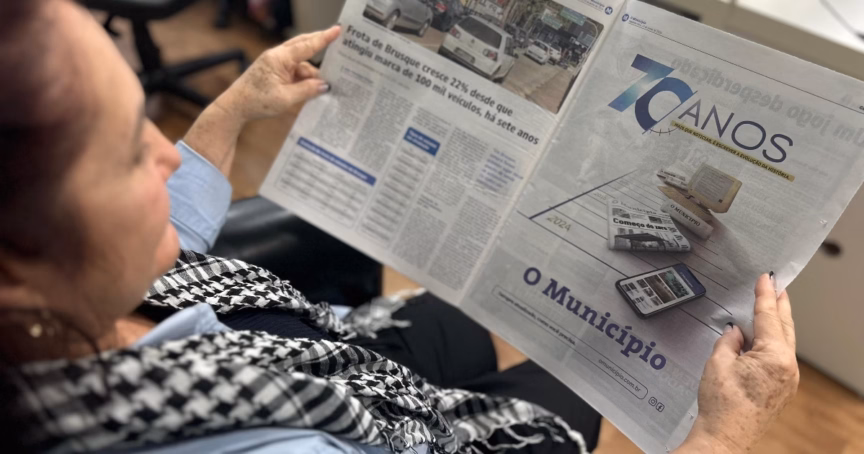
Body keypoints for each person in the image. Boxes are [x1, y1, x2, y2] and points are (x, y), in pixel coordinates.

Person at [0, 1, 799, 453]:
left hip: (334, 352)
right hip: (387, 423)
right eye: (123, 153)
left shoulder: (62, 304)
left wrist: (234, 108)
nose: (165, 155)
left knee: (469, 316)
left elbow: (172, 231)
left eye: (145, 117)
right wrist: (722, 436)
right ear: (16, 271)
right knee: (573, 382)